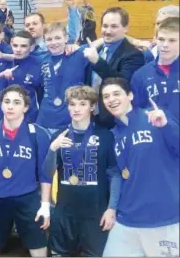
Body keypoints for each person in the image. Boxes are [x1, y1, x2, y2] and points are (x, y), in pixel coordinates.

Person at [100, 77, 179, 257]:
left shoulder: (154, 117)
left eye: (116, 94)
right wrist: (112, 207)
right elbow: (119, 175)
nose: (111, 99)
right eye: (106, 96)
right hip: (127, 219)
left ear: (130, 95)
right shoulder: (113, 134)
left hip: (163, 218)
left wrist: (166, 126)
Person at [0, 85, 52, 257]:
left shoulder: (38, 134)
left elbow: (45, 174)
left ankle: (23, 228)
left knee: (39, 254)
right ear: (1, 105)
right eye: (6, 102)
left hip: (26, 198)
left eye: (16, 102)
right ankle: (9, 227)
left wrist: (45, 206)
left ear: (25, 107)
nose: (10, 106)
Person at [44, 85, 120, 256]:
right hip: (65, 212)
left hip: (95, 213)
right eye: (72, 104)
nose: (76, 109)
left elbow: (114, 174)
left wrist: (112, 208)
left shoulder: (105, 135)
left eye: (82, 104)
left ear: (92, 107)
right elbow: (46, 173)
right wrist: (52, 149)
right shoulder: (59, 135)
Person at [83, 7, 145, 128]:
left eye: (114, 26)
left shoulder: (134, 55)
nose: (108, 31)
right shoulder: (97, 50)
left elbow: (122, 83)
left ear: (126, 28)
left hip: (115, 120)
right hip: (91, 117)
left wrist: (97, 62)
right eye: (105, 26)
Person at [36, 22, 90, 134]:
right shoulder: (41, 59)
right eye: (49, 39)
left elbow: (102, 42)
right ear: (44, 41)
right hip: (44, 119)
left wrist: (77, 46)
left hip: (70, 118)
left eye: (57, 38)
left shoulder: (78, 54)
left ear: (66, 38)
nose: (53, 42)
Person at [131, 16, 179, 121]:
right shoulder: (140, 75)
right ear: (155, 39)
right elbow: (136, 113)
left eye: (172, 40)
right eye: (161, 39)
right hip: (154, 134)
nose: (165, 45)